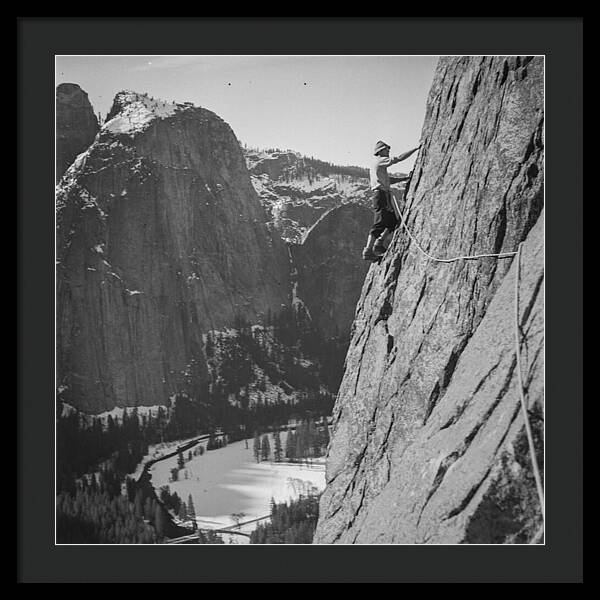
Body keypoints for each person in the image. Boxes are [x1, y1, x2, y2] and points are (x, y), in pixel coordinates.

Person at [362, 140, 420, 261]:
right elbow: (398, 159)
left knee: (392, 221)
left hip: (382, 195)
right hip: (381, 196)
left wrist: (405, 178)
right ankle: (368, 250)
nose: (388, 151)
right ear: (380, 151)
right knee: (380, 223)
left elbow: (388, 180)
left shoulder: (376, 164)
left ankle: (379, 244)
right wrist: (416, 149)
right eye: (387, 149)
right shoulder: (380, 160)